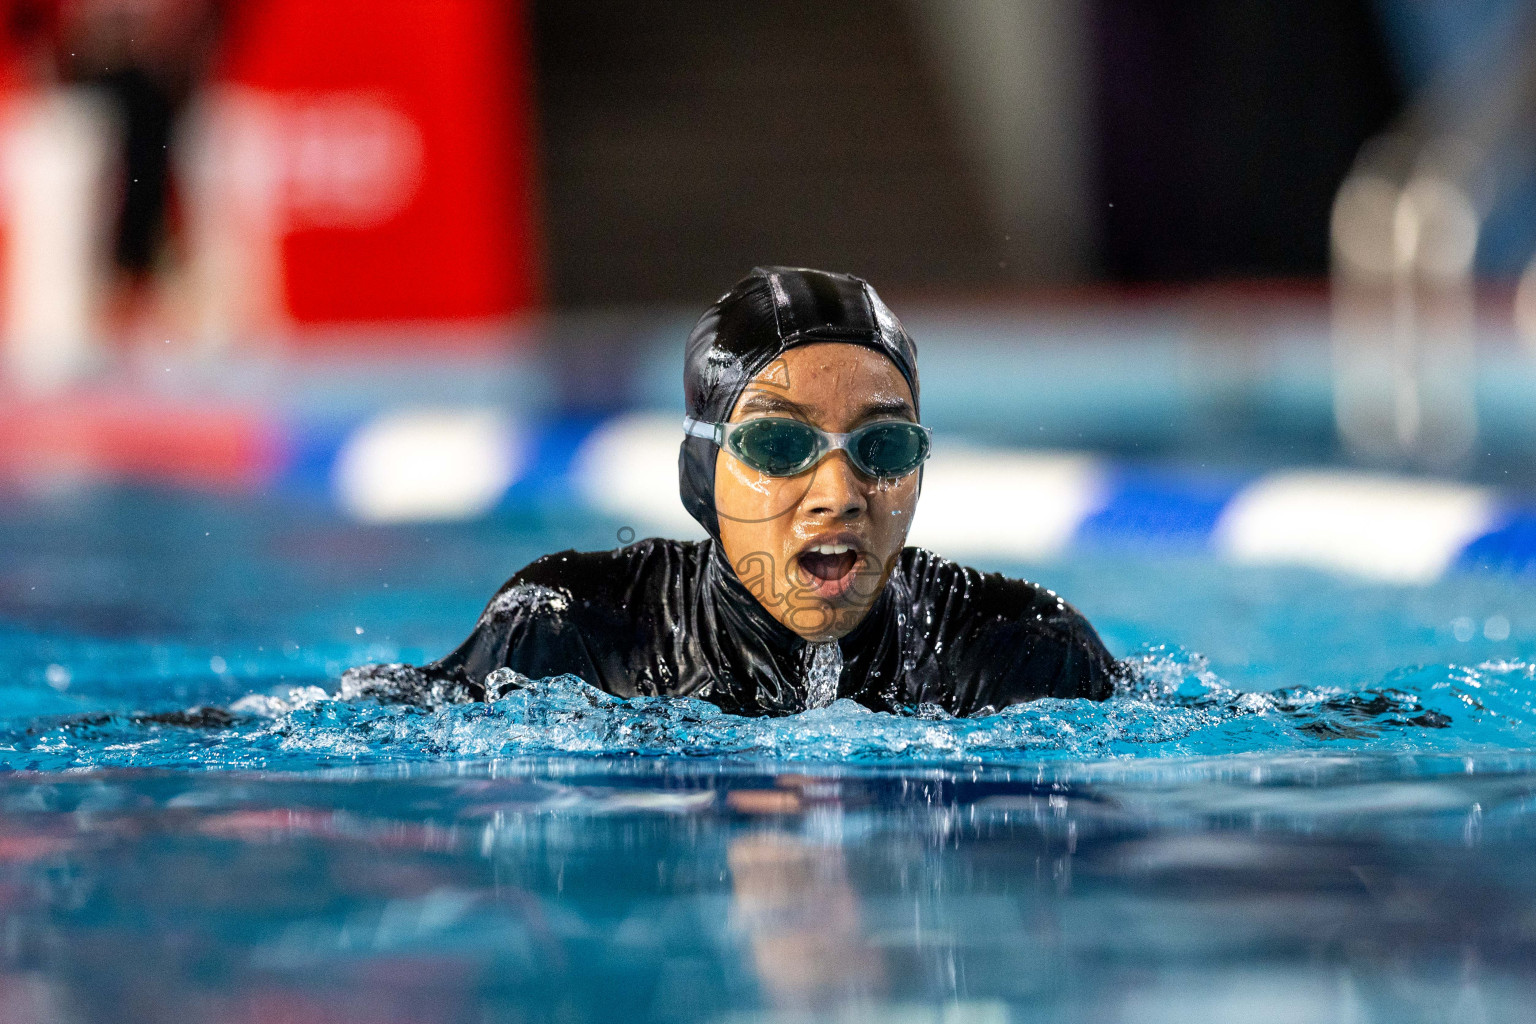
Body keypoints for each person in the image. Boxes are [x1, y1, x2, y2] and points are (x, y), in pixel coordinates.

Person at [346, 267, 1119, 716]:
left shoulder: (1017, 654)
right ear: (699, 474)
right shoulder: (572, 634)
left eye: (883, 447)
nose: (839, 494)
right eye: (779, 444)